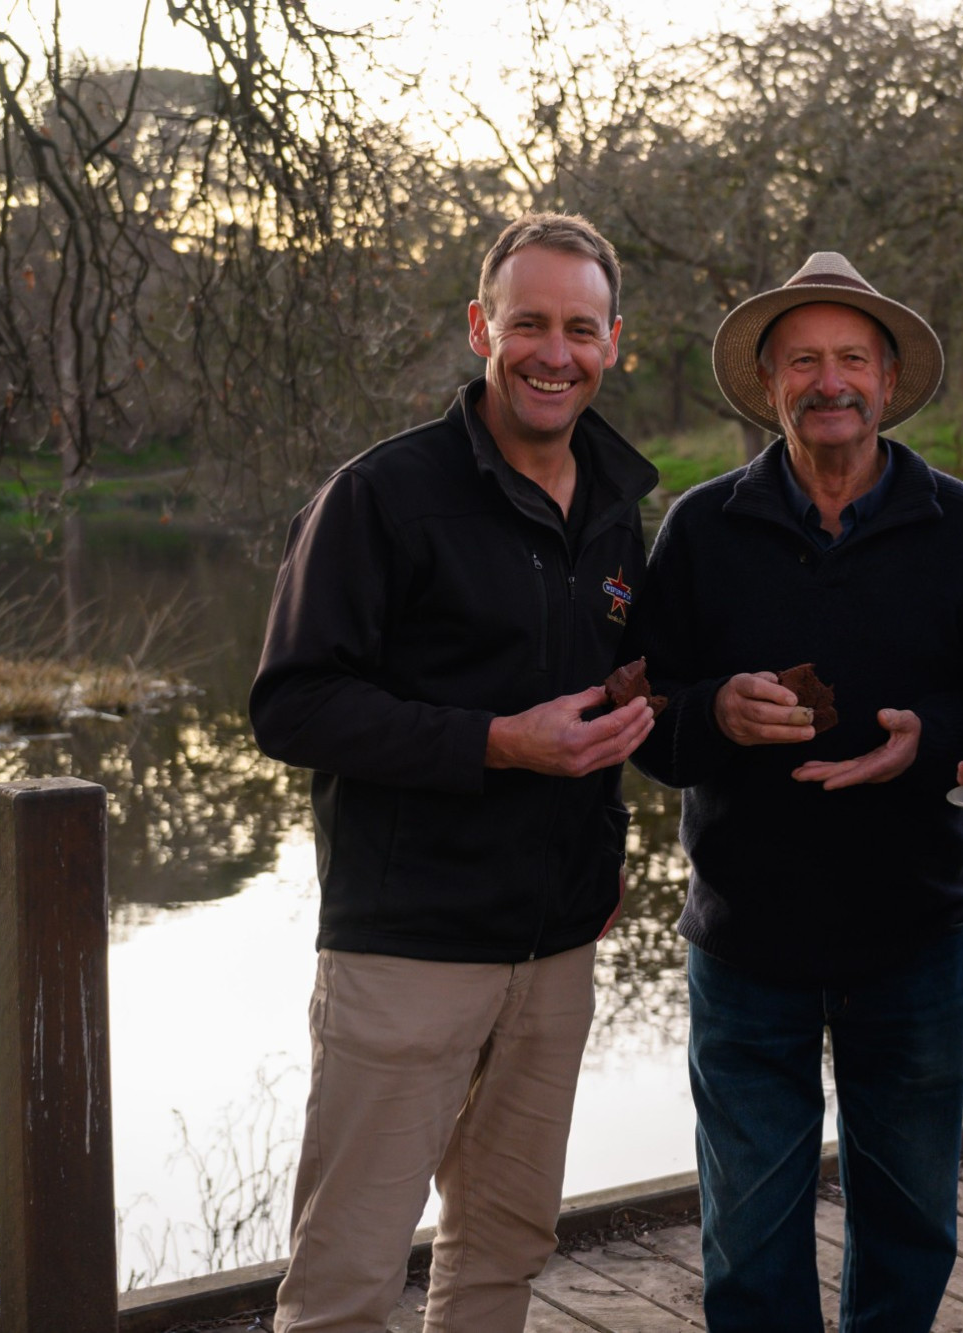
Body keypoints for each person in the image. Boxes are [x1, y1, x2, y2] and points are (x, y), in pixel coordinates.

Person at [249, 213, 658, 1333]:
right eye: (528, 323)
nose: (553, 352)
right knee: (347, 1275)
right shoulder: (380, 496)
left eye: (580, 328)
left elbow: (616, 695)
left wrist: (613, 828)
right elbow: (290, 704)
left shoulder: (621, 510)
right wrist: (494, 741)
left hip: (557, 948)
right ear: (482, 327)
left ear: (612, 342)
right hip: (407, 949)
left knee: (503, 1247)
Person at [626, 252, 963, 1332]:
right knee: (747, 1236)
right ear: (768, 386)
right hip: (745, 944)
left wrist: (931, 740)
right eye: (801, 359)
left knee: (908, 1224)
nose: (828, 380)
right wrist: (715, 711)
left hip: (912, 935)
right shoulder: (702, 531)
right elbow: (643, 719)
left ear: (889, 383)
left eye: (852, 357)